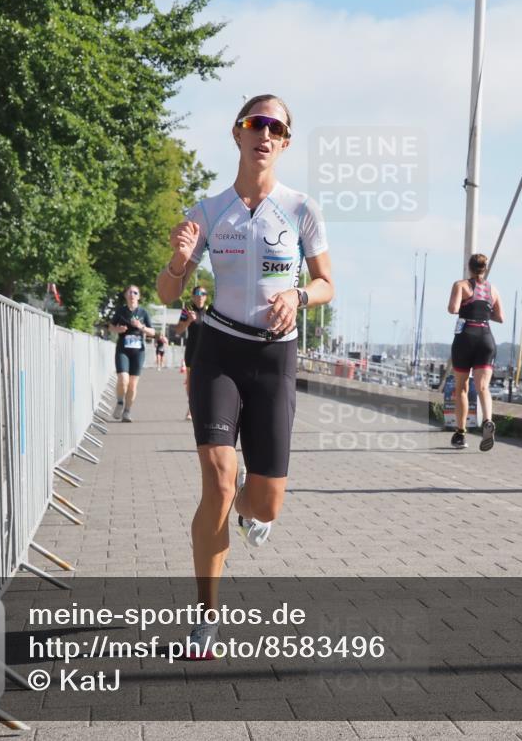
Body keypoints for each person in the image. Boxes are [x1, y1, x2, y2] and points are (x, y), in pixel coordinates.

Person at [156, 94, 334, 658]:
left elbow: (328, 282)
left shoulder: (302, 208)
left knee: (265, 505)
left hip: (275, 361)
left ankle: (247, 509)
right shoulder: (207, 211)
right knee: (217, 477)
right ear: (238, 134)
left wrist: (300, 296)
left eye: (275, 127)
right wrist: (180, 261)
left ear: (284, 142)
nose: (264, 132)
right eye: (256, 123)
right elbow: (167, 293)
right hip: (219, 352)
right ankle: (205, 617)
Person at [447, 253, 504, 451]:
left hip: (466, 337)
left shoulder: (461, 285)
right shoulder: (493, 289)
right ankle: (487, 420)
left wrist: (466, 305)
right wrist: (484, 310)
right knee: (483, 387)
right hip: (486, 338)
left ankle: (461, 434)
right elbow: (500, 317)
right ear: (485, 269)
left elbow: (453, 309)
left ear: (469, 268)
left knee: (461, 388)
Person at [109, 285, 156, 422]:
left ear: (139, 296)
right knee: (123, 379)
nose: (132, 295)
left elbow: (152, 332)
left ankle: (127, 412)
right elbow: (111, 326)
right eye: (129, 292)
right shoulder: (121, 311)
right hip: (123, 349)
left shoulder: (143, 312)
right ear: (125, 295)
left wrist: (140, 326)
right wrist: (118, 329)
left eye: (135, 292)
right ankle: (119, 402)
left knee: (132, 385)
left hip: (138, 351)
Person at [175, 286, 209, 420]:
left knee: (206, 382)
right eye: (197, 293)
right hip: (192, 351)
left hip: (207, 352)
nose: (200, 296)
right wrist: (188, 320)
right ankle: (191, 408)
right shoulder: (187, 310)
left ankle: (204, 408)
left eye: (203, 293)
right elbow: (178, 330)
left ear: (206, 297)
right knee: (191, 382)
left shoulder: (210, 311)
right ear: (193, 296)